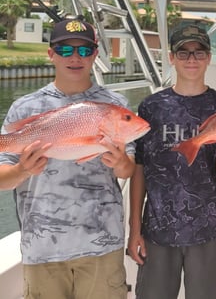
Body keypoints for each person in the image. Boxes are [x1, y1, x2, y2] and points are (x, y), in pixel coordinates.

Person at [0, 16, 135, 299]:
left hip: (102, 245)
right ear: (51, 54)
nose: (75, 57)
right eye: (65, 50)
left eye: (85, 50)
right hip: (42, 249)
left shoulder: (116, 106)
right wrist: (23, 170)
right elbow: (3, 181)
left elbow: (127, 171)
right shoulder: (24, 108)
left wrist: (121, 162)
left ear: (95, 55)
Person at [127, 23, 216, 299]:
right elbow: (140, 170)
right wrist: (134, 229)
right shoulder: (151, 106)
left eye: (199, 52)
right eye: (183, 53)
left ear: (208, 58)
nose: (191, 59)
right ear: (171, 58)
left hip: (205, 229)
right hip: (157, 230)